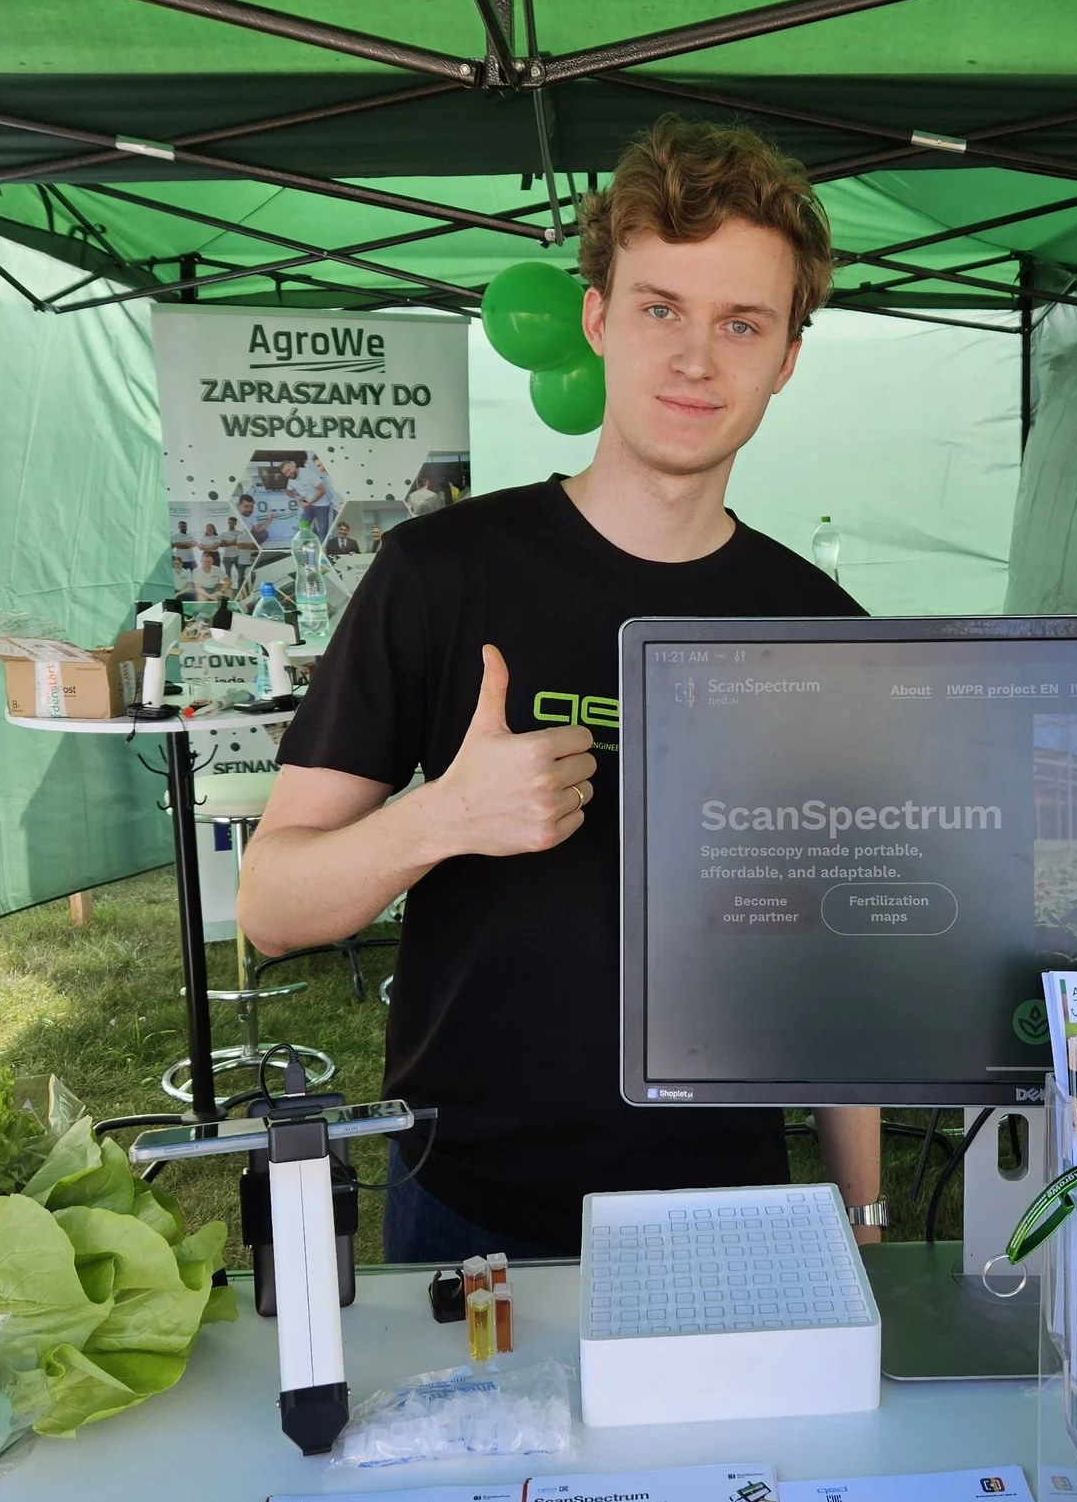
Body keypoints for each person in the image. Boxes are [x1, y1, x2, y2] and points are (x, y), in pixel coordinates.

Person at [239, 116, 882, 1262]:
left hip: (724, 1204)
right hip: (471, 1200)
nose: (696, 359)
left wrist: (865, 1217)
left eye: (741, 324)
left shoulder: (821, 632)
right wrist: (439, 818)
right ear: (596, 320)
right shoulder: (439, 575)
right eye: (659, 310)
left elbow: (837, 967)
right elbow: (272, 910)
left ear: (787, 357)